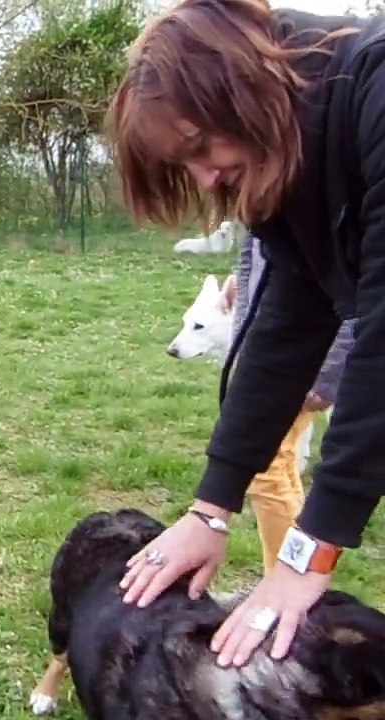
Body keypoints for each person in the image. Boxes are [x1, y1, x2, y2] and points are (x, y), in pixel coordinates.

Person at [104, 0, 385, 670]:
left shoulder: (372, 93)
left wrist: (309, 550)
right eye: (185, 163)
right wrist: (212, 507)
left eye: (201, 145)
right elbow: (286, 323)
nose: (207, 178)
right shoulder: (288, 158)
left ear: (247, 89)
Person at [232, 229, 354, 575]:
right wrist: (245, 342)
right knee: (280, 464)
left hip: (306, 360)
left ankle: (285, 579)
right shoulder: (256, 197)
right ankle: (293, 574)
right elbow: (247, 264)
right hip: (267, 354)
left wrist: (328, 372)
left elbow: (353, 292)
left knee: (264, 469)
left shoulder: (330, 189)